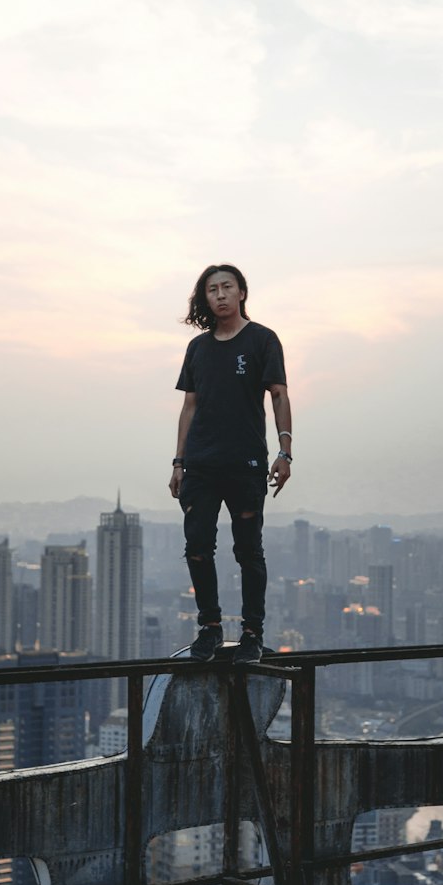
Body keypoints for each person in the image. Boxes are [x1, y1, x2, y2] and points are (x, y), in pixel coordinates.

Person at [169, 264, 292, 663]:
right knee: (198, 547)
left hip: (246, 463)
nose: (220, 295)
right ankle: (209, 630)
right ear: (204, 298)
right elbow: (189, 406)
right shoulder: (198, 349)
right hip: (201, 465)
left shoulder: (262, 340)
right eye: (212, 289)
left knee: (248, 551)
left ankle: (252, 635)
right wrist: (178, 463)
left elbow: (278, 395)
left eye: (227, 287)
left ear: (242, 293)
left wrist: (284, 451)